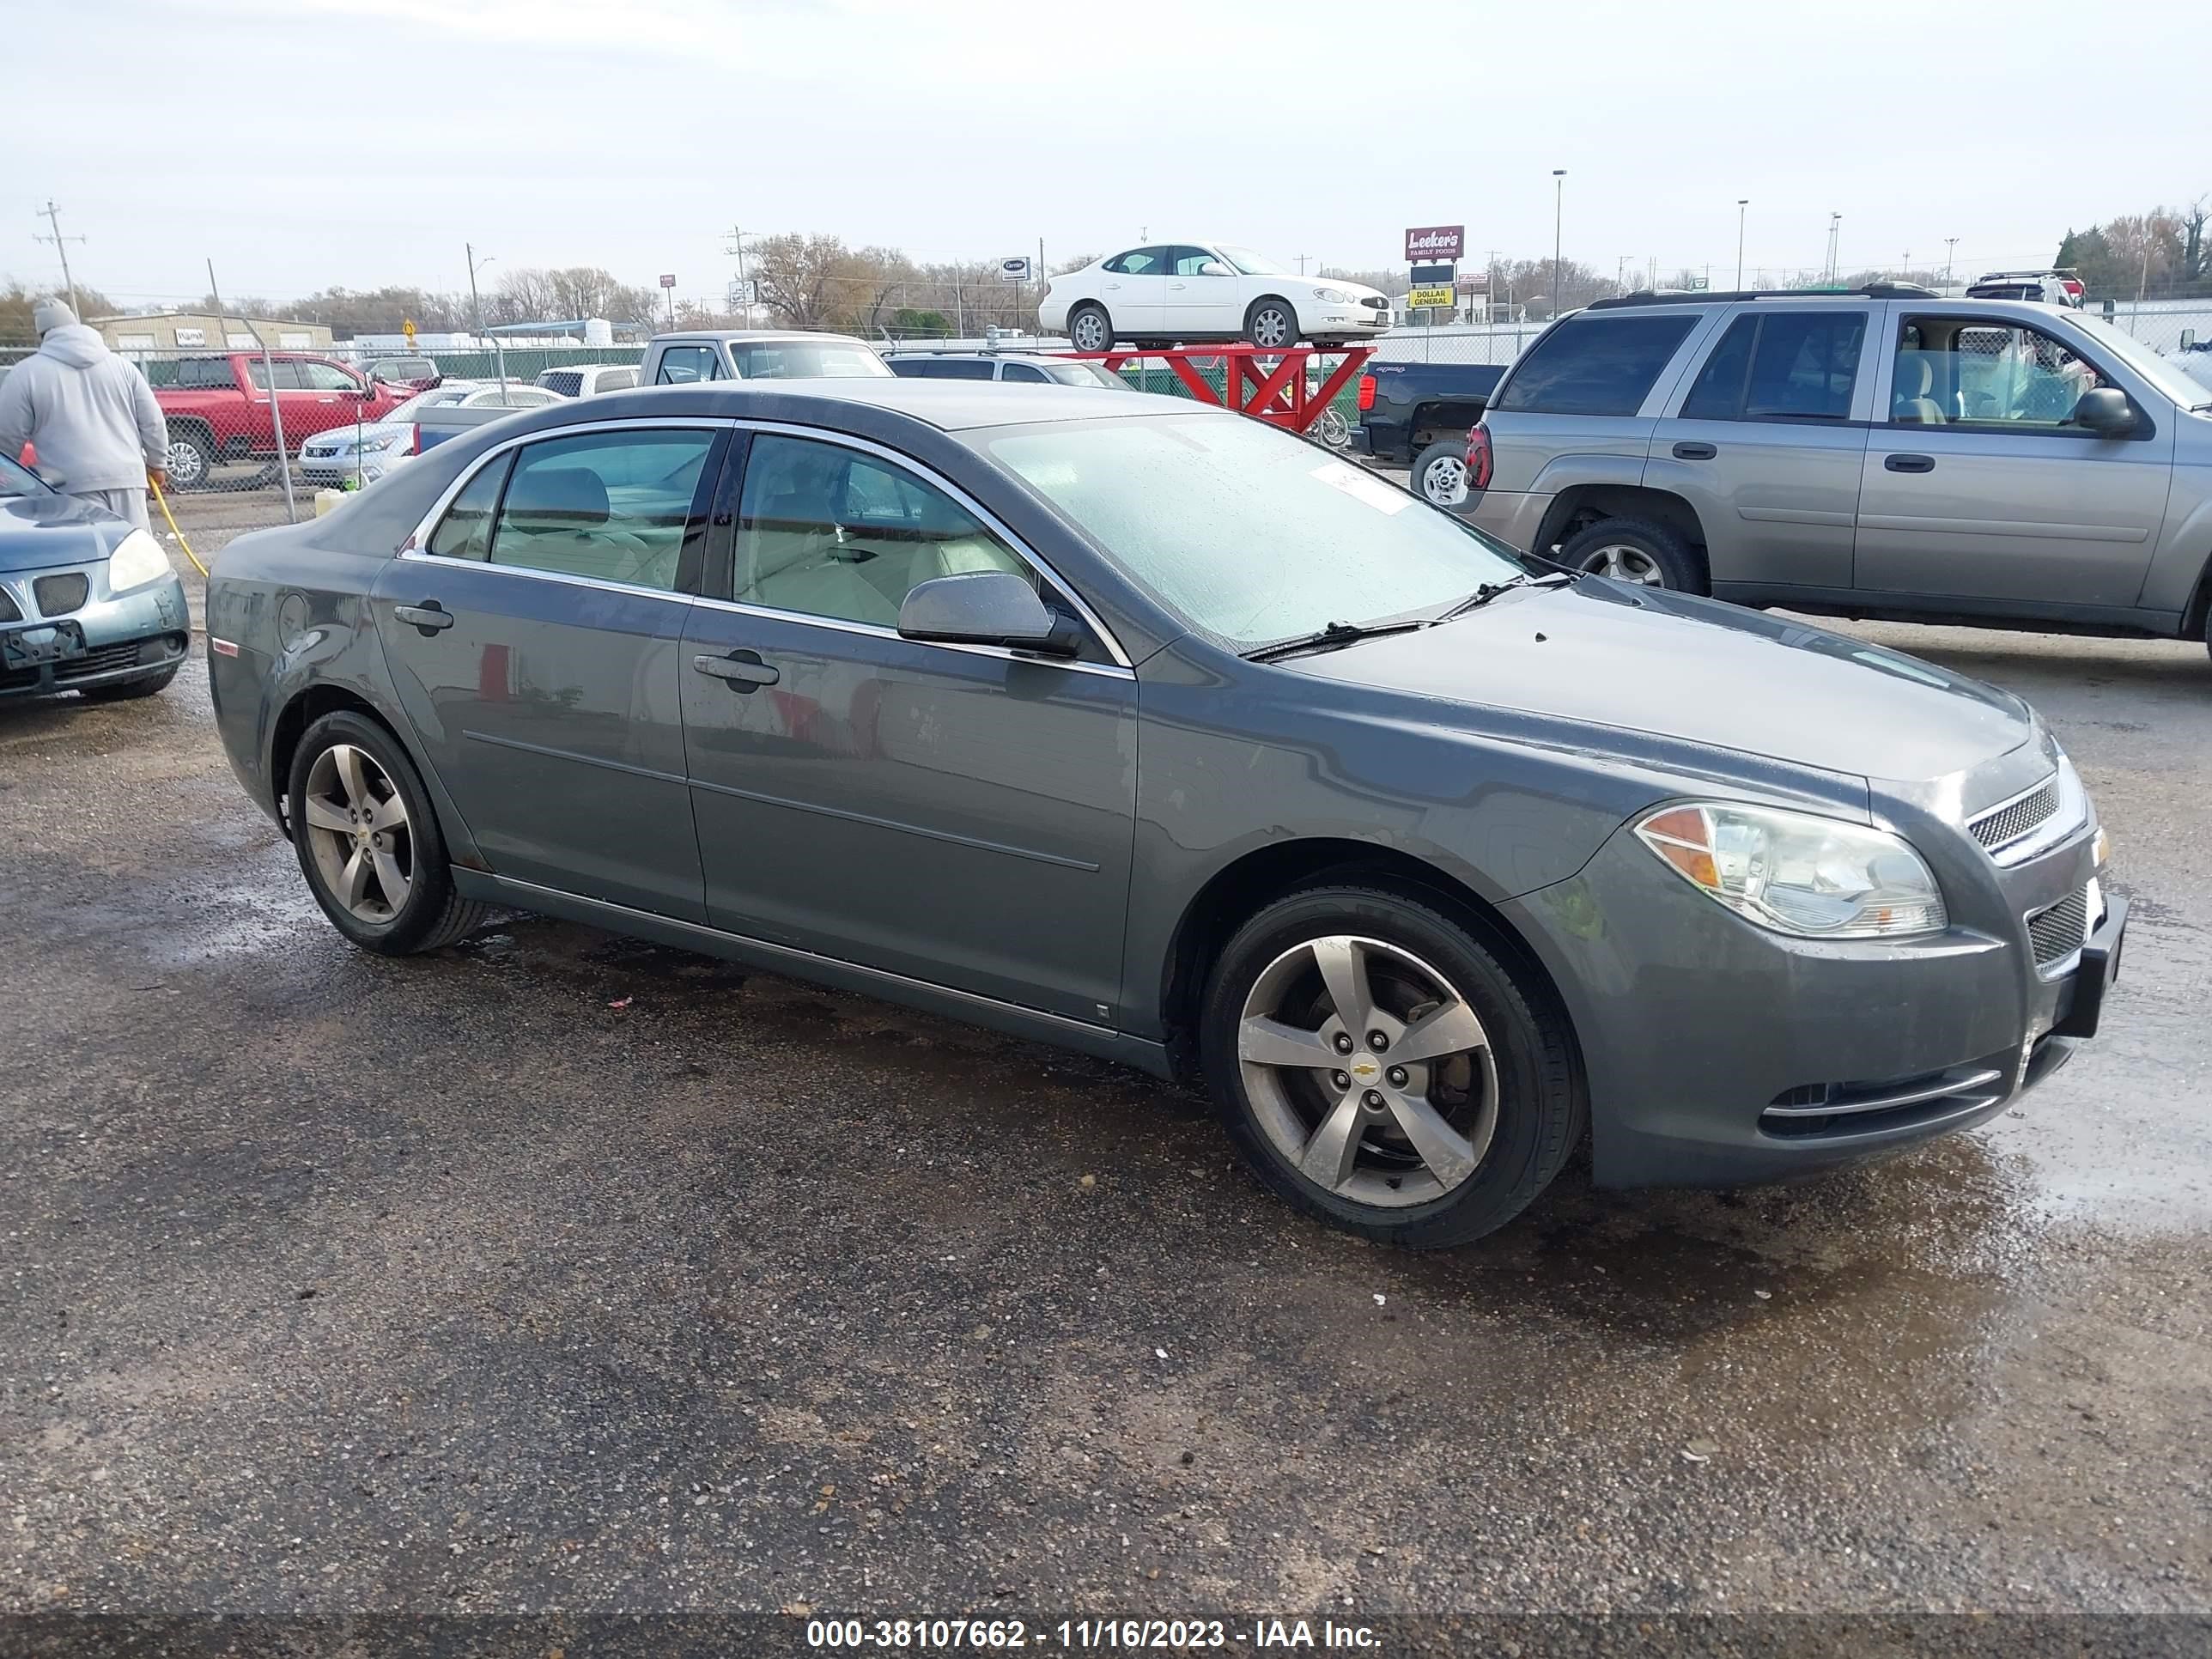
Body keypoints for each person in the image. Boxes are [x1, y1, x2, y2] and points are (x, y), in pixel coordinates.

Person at [0, 299, 168, 532]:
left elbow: (7, 437)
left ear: (42, 333)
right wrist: (157, 462)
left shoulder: (25, 374)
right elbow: (152, 420)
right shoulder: (122, 367)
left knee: (89, 554)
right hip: (127, 479)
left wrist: (7, 476)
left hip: (69, 484)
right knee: (135, 553)